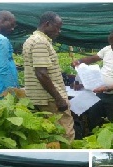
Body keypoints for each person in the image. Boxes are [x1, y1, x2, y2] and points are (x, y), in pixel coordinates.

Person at [72, 28, 113, 129]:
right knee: (95, 122)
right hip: (99, 93)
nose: (112, 47)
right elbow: (93, 58)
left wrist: (107, 88)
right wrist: (79, 61)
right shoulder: (108, 49)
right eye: (111, 44)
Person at [23, 11, 75, 141]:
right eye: (57, 27)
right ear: (47, 24)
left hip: (40, 97)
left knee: (48, 135)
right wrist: (59, 98)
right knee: (65, 134)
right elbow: (41, 73)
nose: (59, 31)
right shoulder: (40, 42)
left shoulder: (31, 40)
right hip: (49, 99)